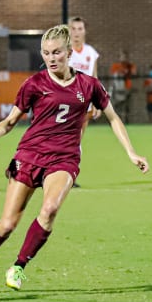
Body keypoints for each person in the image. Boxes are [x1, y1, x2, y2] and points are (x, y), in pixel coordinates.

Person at [0, 24, 149, 293]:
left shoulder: (88, 85)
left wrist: (131, 152)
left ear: (68, 53)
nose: (51, 58)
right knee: (7, 224)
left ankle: (18, 267)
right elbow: (11, 121)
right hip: (29, 155)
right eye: (46, 53)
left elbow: (113, 117)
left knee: (49, 210)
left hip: (64, 159)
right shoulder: (34, 84)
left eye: (57, 53)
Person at [68, 16, 101, 188]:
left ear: (85, 31)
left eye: (80, 29)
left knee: (76, 140)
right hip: (65, 105)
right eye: (73, 29)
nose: (77, 33)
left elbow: (94, 78)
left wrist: (96, 102)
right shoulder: (64, 52)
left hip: (84, 105)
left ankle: (69, 176)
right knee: (60, 139)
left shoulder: (90, 53)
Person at [108, 50, 136, 123]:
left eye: (125, 57)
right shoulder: (115, 66)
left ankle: (126, 121)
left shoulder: (130, 66)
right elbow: (113, 76)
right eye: (121, 56)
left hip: (127, 88)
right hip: (117, 89)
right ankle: (117, 121)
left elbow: (134, 74)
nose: (123, 58)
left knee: (126, 107)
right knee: (116, 107)